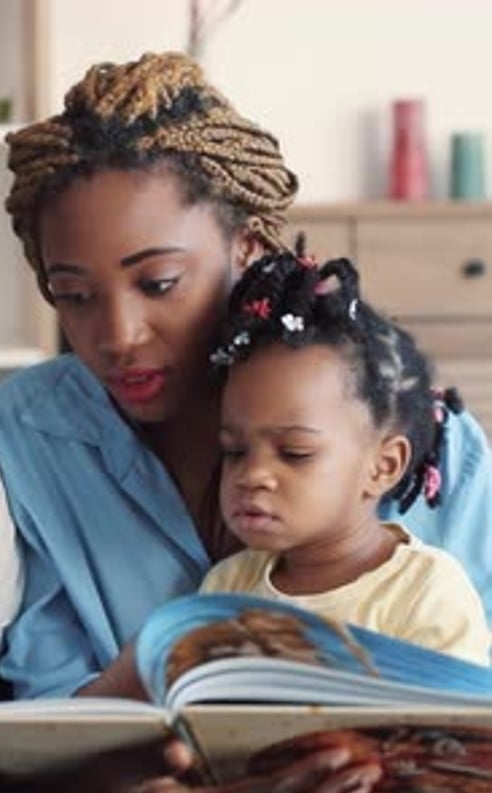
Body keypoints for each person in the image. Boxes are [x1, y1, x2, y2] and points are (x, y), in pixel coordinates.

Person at [0, 49, 489, 793]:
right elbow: (42, 734)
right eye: (72, 294)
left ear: (248, 244)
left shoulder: (425, 441)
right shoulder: (26, 443)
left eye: (160, 282)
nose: (116, 335)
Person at [200, 250, 490, 665]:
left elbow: (456, 724)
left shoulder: (424, 591)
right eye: (235, 452)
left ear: (383, 466)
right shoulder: (225, 589)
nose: (254, 475)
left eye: (295, 453)